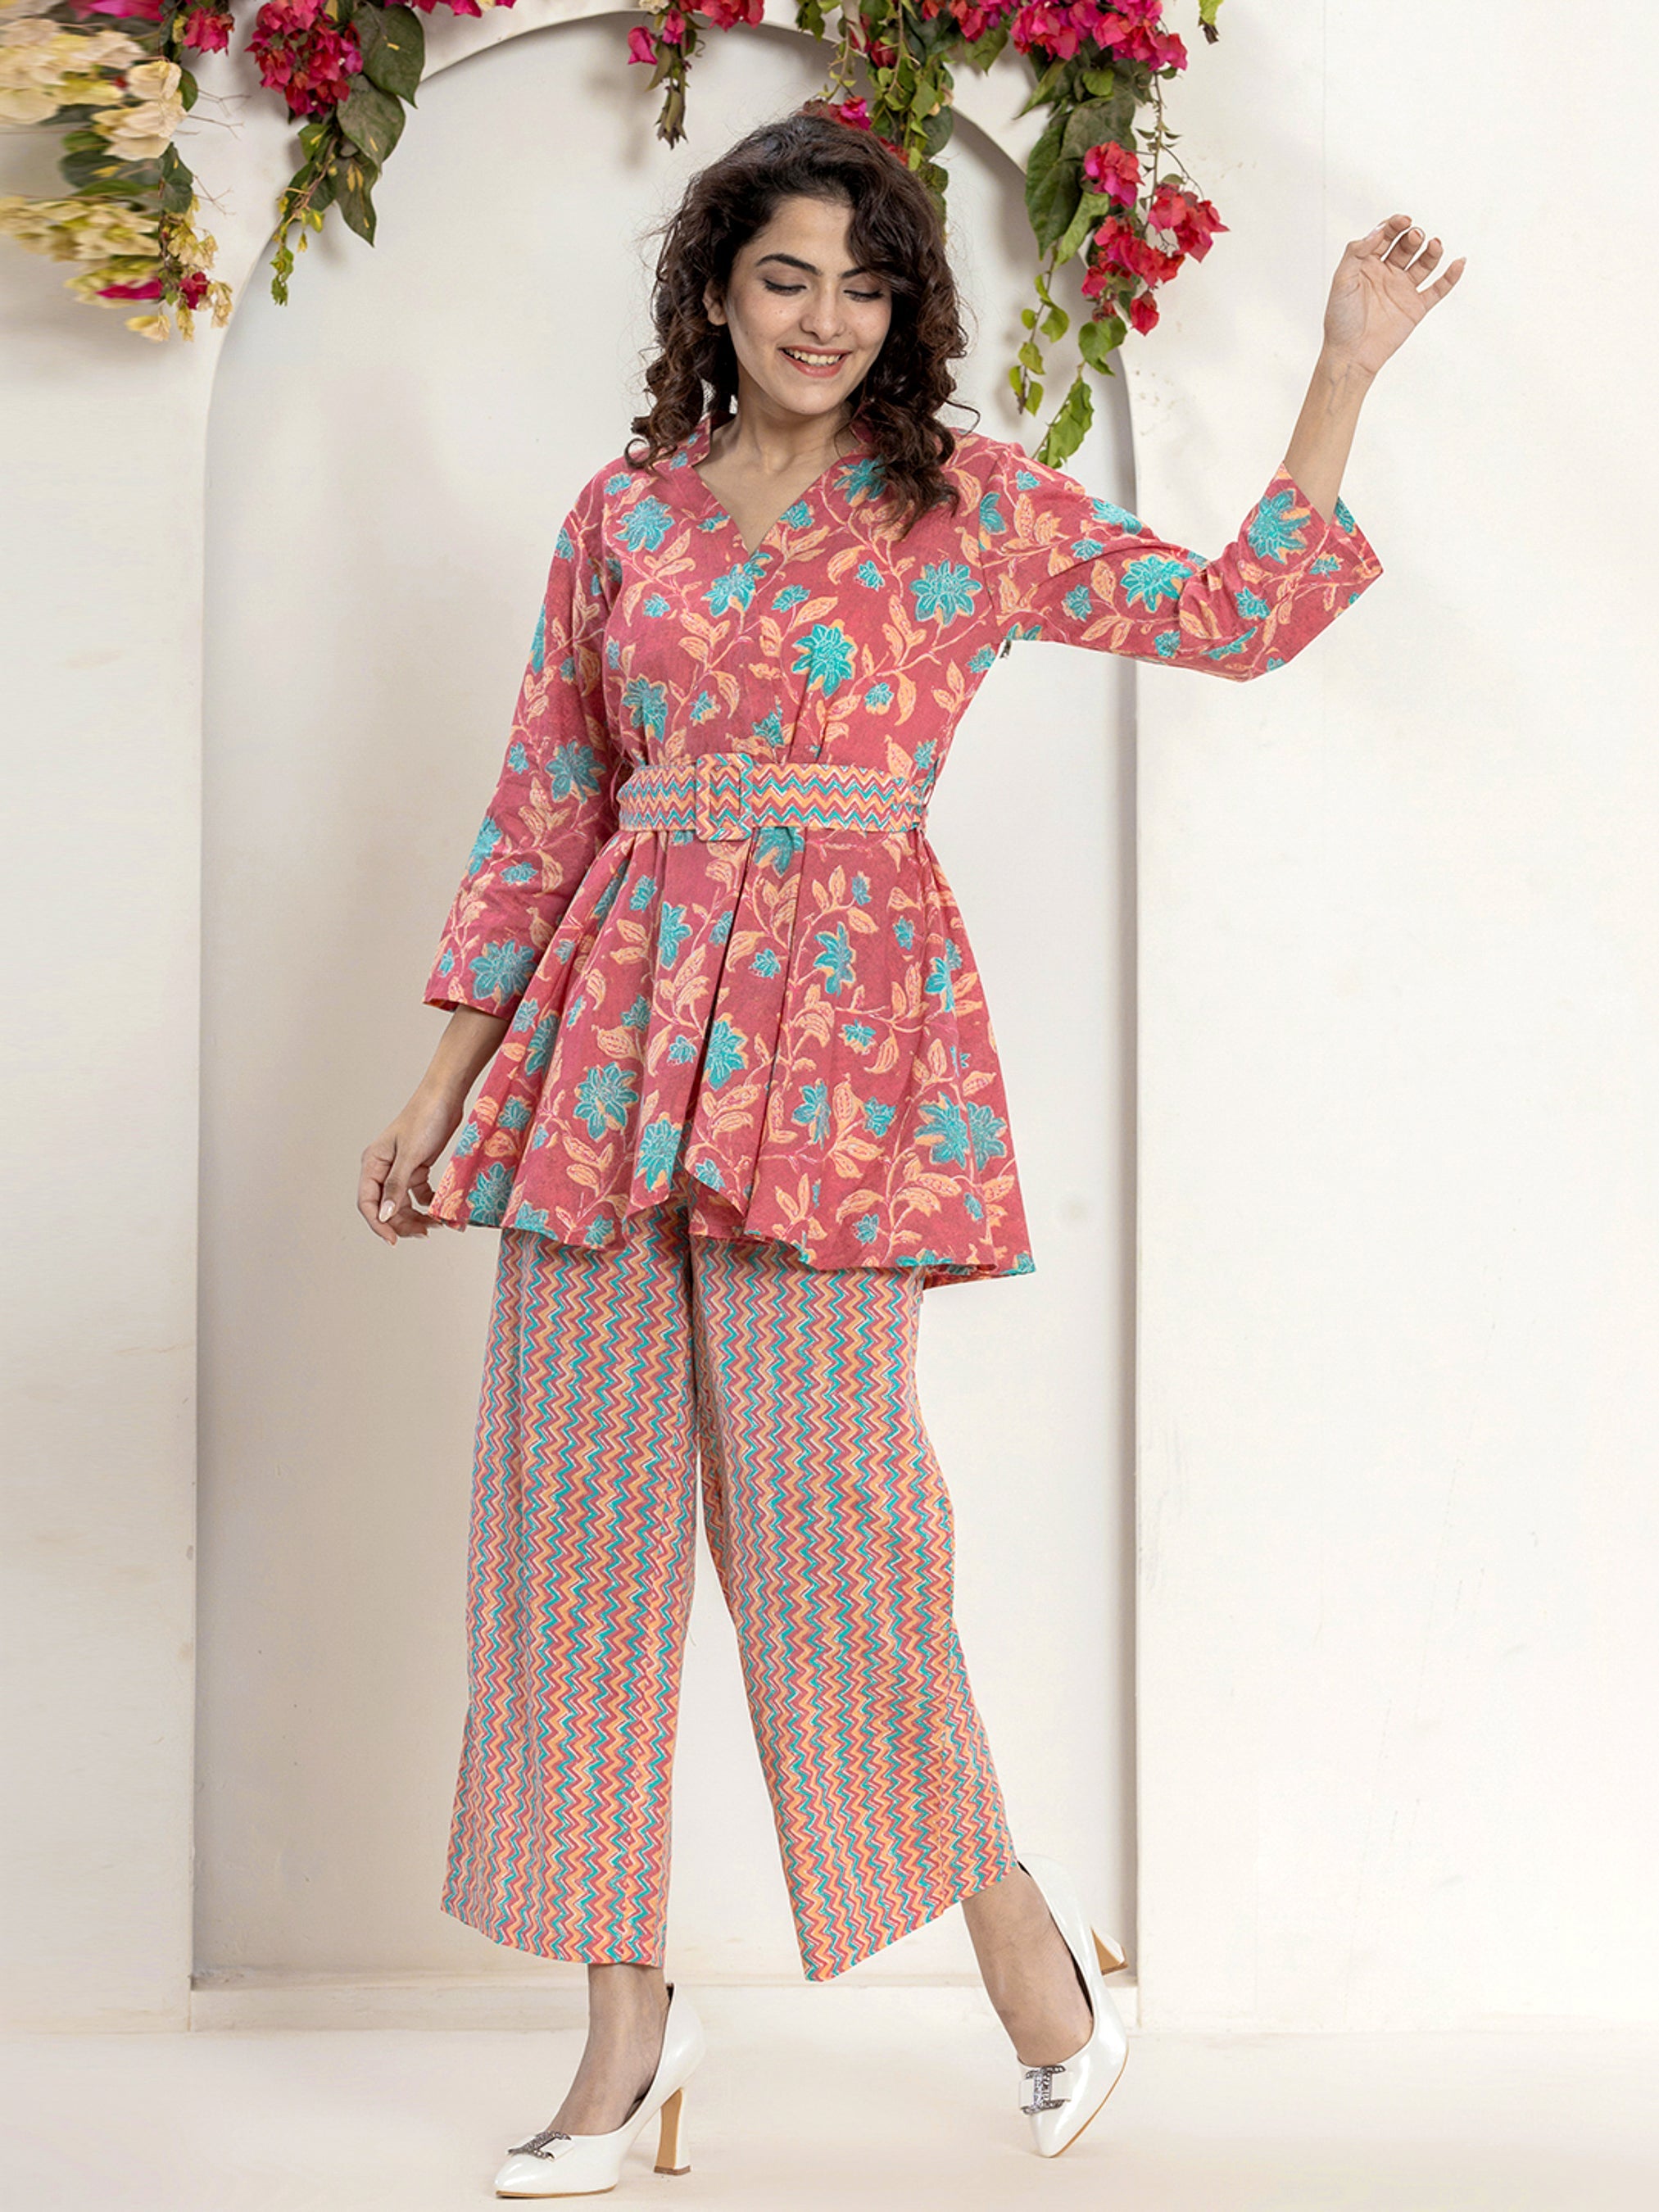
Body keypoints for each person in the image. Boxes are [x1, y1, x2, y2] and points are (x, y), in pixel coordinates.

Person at [358, 107, 1462, 2194]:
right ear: (712, 291)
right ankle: (624, 2045)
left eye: (864, 287)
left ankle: (1035, 1964)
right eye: (785, 276)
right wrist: (440, 1091)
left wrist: (1338, 367)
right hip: (605, 1063)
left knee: (836, 1538)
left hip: (837, 1066)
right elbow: (540, 809)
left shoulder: (963, 506)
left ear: (903, 313)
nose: (824, 318)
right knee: (567, 1542)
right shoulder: (620, 517)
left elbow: (1236, 618)